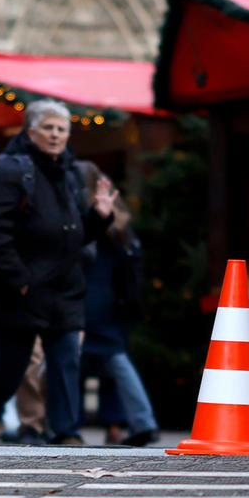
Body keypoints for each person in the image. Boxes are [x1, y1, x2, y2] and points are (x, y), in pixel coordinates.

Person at [0, 99, 117, 445]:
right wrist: (18, 279)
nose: (56, 134)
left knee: (65, 362)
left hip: (64, 288)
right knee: (11, 365)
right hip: (22, 289)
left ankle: (65, 432)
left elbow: (70, 234)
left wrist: (99, 218)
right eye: (49, 127)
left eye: (62, 129)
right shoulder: (11, 170)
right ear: (31, 131)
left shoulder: (69, 172)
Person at [75, 161, 158, 447]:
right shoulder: (120, 219)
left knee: (80, 363)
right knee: (112, 362)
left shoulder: (88, 215)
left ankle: (72, 426)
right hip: (119, 302)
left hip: (90, 299)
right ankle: (121, 424)